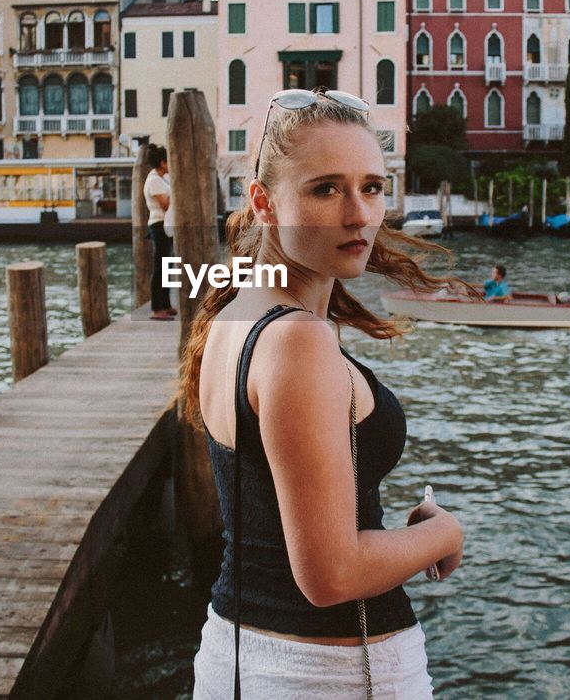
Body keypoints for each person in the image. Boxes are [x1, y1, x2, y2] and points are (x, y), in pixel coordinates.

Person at [181, 88, 468, 698]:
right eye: (325, 189)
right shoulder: (298, 340)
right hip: (325, 676)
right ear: (263, 202)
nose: (360, 214)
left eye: (372, 186)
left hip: (238, 655)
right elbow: (330, 573)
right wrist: (442, 536)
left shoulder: (233, 314)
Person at [142, 145, 177, 319]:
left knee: (167, 266)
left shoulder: (163, 178)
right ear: (163, 163)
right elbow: (165, 204)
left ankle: (165, 304)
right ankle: (157, 308)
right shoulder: (154, 180)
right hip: (159, 224)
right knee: (160, 267)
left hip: (166, 225)